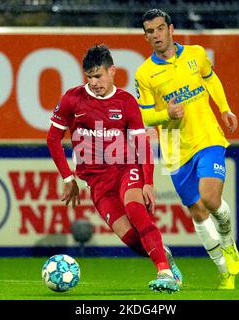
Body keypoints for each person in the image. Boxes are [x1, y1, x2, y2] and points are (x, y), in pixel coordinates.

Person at [47, 44, 182, 293]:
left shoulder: (126, 102)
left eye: (98, 76)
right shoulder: (72, 99)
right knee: (129, 237)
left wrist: (148, 182)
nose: (94, 82)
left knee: (135, 209)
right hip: (97, 181)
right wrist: (68, 178)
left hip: (124, 168)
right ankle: (164, 255)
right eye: (89, 77)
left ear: (112, 72)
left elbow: (142, 143)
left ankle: (164, 272)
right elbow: (53, 139)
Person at [134, 8, 239, 290]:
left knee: (210, 198)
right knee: (197, 211)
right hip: (173, 149)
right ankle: (224, 271)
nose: (155, 35)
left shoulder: (196, 54)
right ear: (145, 36)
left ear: (171, 29)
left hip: (207, 138)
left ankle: (229, 244)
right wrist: (165, 114)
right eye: (149, 31)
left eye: (159, 28)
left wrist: (225, 108)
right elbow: (144, 115)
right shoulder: (145, 74)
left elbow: (210, 79)